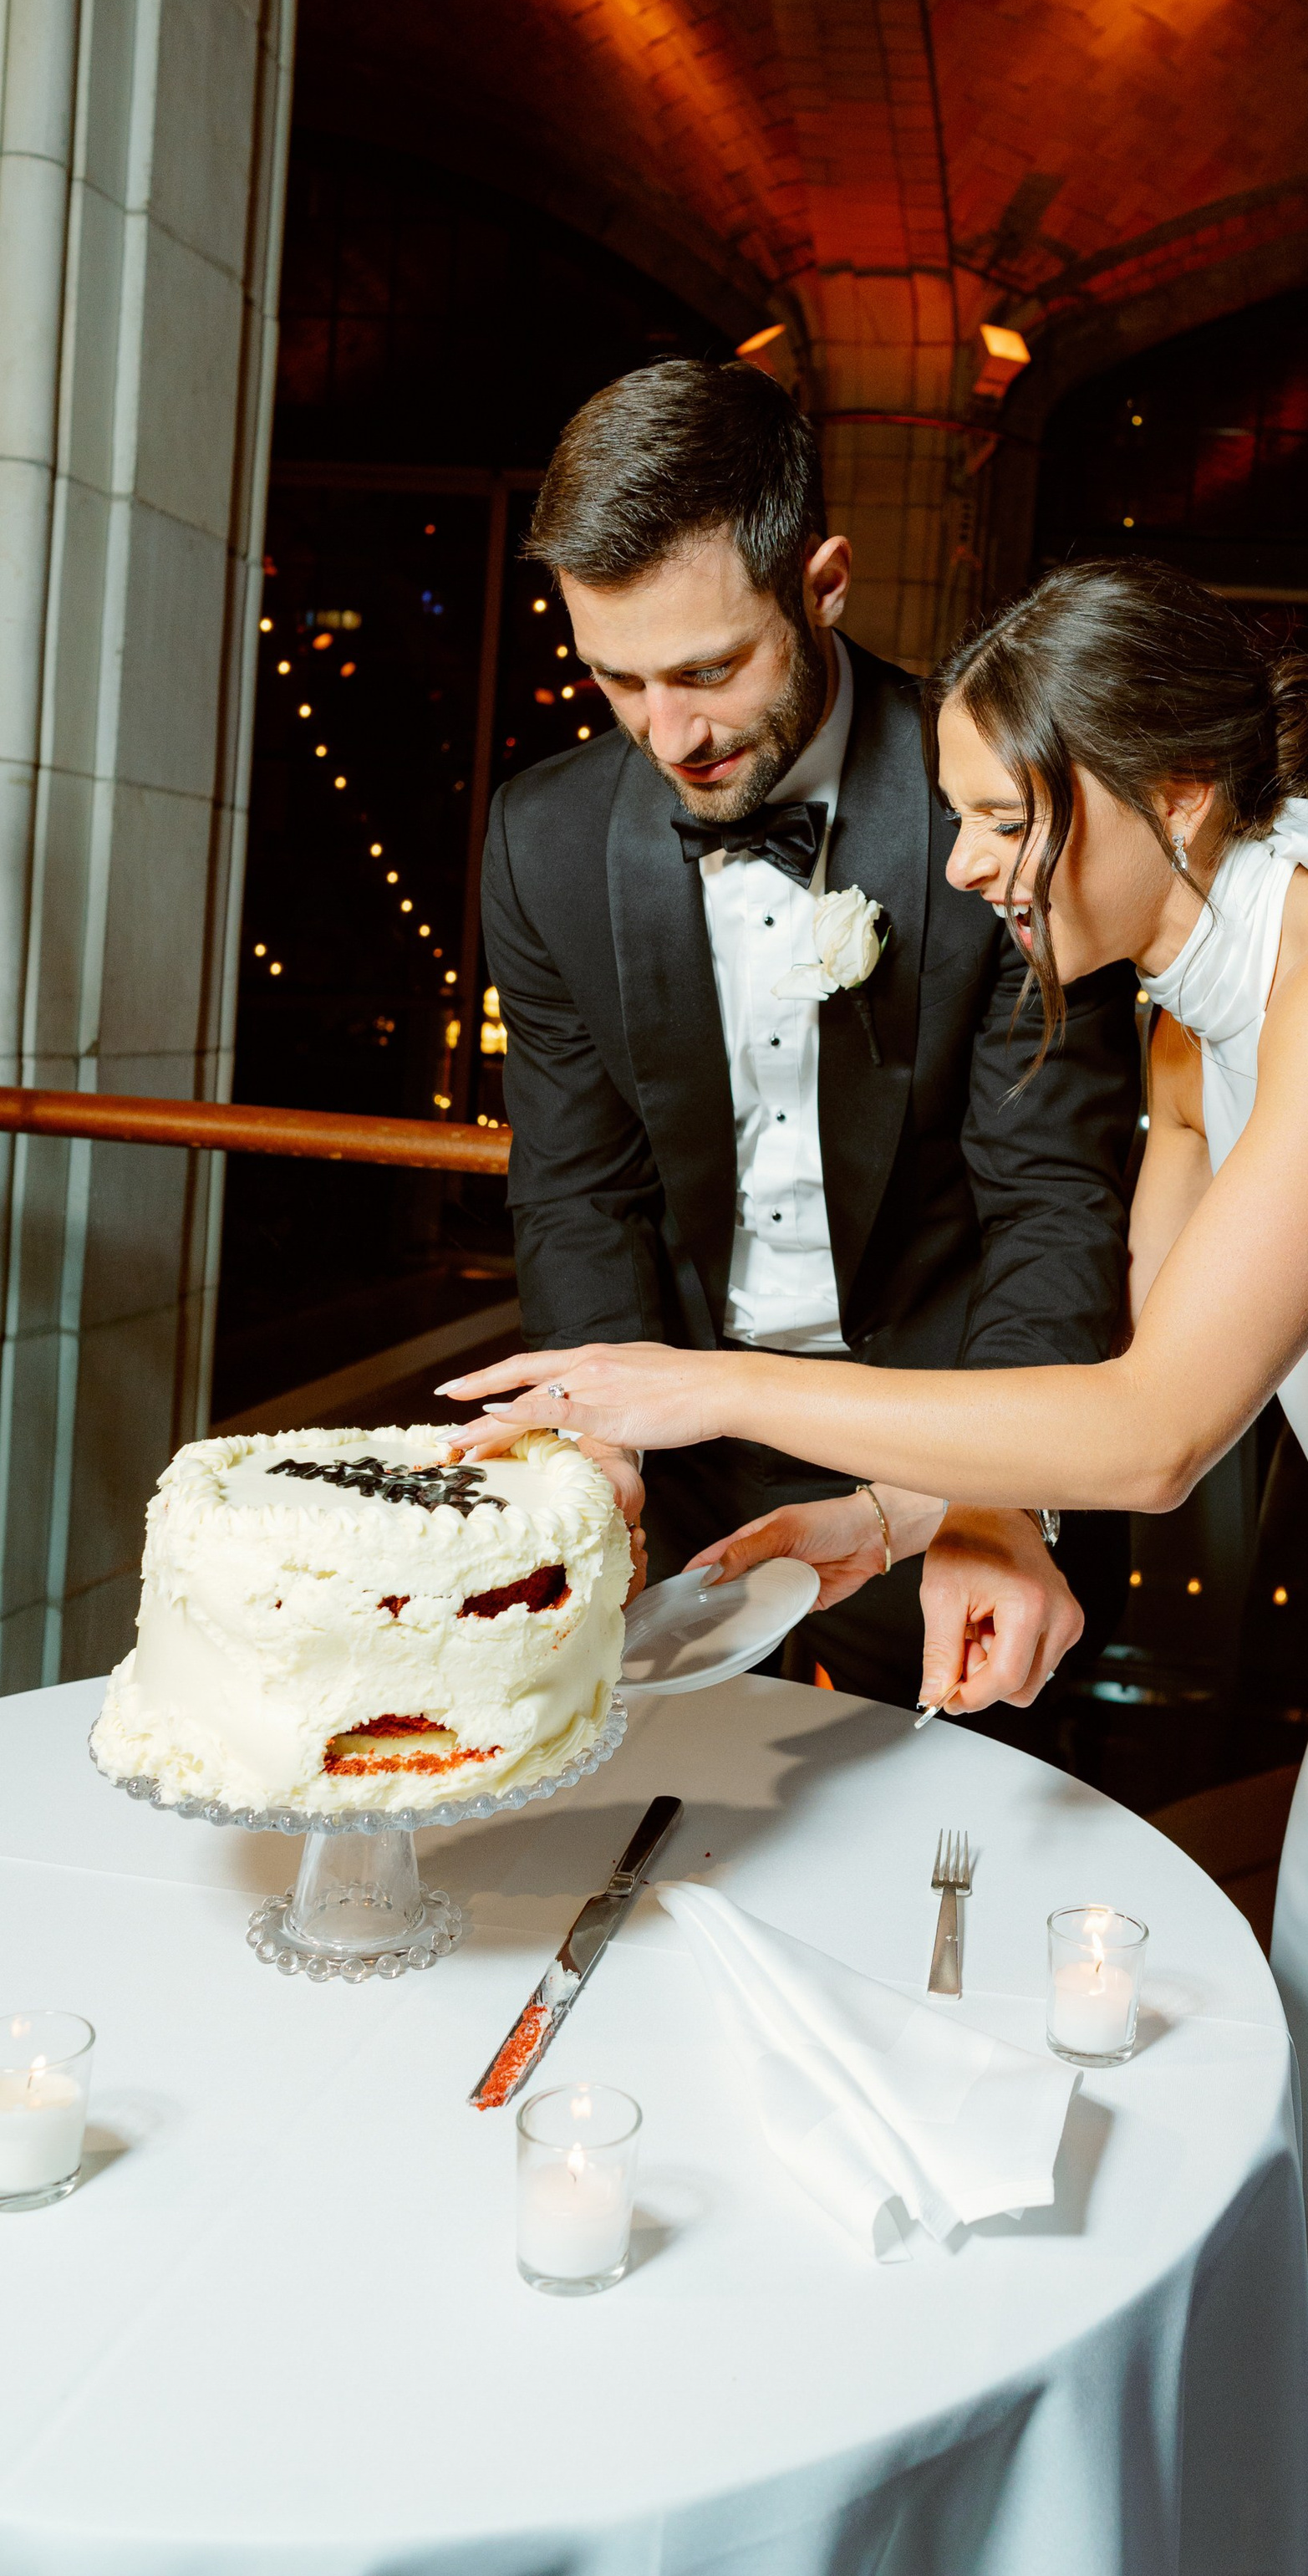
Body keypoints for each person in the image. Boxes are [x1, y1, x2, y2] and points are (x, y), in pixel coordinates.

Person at [445, 555, 1308, 2576]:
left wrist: (700, 1384)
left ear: (1162, 791)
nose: (968, 865)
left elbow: (1156, 1438)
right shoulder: (1188, 997)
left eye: (1003, 816)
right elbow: (1192, 1361)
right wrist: (885, 1521)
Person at [476, 357, 1141, 1716]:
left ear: (822, 584)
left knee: (961, 1858)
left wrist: (998, 1498)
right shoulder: (539, 841)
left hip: (957, 1426)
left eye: (709, 669)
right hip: (687, 1444)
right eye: (617, 681)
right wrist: (599, 1450)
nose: (672, 734)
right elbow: (578, 1189)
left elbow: (1055, 1203)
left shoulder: (994, 813)